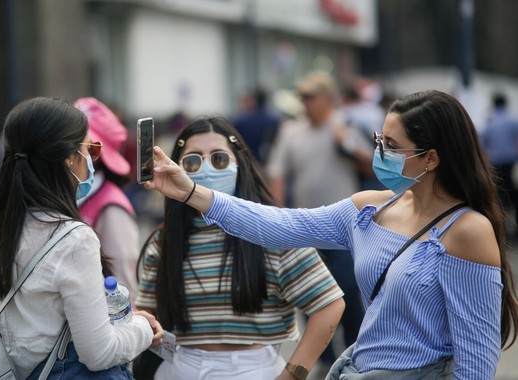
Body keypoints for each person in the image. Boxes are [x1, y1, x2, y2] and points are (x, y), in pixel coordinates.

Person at [144, 90, 518, 379]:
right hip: (359, 370)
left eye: (391, 146)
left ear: (431, 158)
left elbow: (477, 358)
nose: (378, 153)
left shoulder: (467, 230)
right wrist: (191, 193)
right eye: (378, 140)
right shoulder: (369, 208)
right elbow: (277, 225)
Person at [135, 116, 345, 380]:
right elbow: (148, 314)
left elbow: (328, 305)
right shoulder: (162, 241)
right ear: (177, 169)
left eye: (219, 159)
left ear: (240, 164)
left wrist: (293, 375)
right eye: (193, 161)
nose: (207, 168)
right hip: (179, 366)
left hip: (253, 369)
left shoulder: (274, 232)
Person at [0, 97, 163, 379]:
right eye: (90, 149)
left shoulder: (0, 225)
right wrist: (143, 329)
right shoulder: (73, 239)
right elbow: (99, 353)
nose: (92, 161)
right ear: (70, 159)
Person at [267, 71, 368, 369]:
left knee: (349, 288)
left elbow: (371, 164)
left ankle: (354, 351)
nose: (305, 103)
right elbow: (277, 173)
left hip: (346, 227)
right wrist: (279, 217)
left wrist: (346, 144)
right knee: (307, 290)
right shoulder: (291, 131)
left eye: (310, 97)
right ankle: (322, 356)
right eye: (302, 98)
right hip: (306, 228)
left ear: (327, 99)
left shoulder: (345, 126)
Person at [74, 97, 141, 299]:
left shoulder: (112, 208)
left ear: (96, 153)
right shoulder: (71, 196)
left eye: (79, 145)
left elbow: (124, 288)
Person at [480, 93, 518, 237]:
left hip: (495, 165)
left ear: (494, 105)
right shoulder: (513, 120)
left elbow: (482, 144)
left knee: (499, 196)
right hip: (511, 163)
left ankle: (501, 229)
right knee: (513, 195)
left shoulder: (490, 122)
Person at [233, 88, 281, 167]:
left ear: (254, 100)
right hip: (272, 162)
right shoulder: (275, 120)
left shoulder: (242, 121)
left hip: (250, 163)